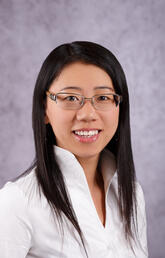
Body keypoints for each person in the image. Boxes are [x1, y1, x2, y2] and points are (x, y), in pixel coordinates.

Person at [0, 41, 148, 258]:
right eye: (70, 98)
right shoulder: (16, 202)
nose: (88, 114)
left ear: (119, 107)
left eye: (103, 97)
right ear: (44, 110)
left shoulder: (132, 195)